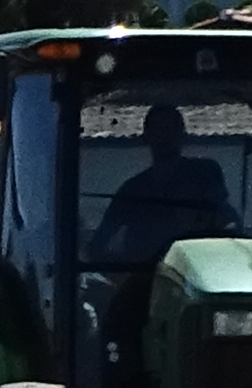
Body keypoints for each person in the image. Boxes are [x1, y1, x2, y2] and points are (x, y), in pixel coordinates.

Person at [88, 100, 238, 268]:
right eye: (158, 130)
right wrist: (129, 271)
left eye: (170, 129)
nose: (165, 137)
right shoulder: (132, 191)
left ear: (183, 135)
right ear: (146, 137)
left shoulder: (205, 173)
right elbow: (96, 248)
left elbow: (227, 222)